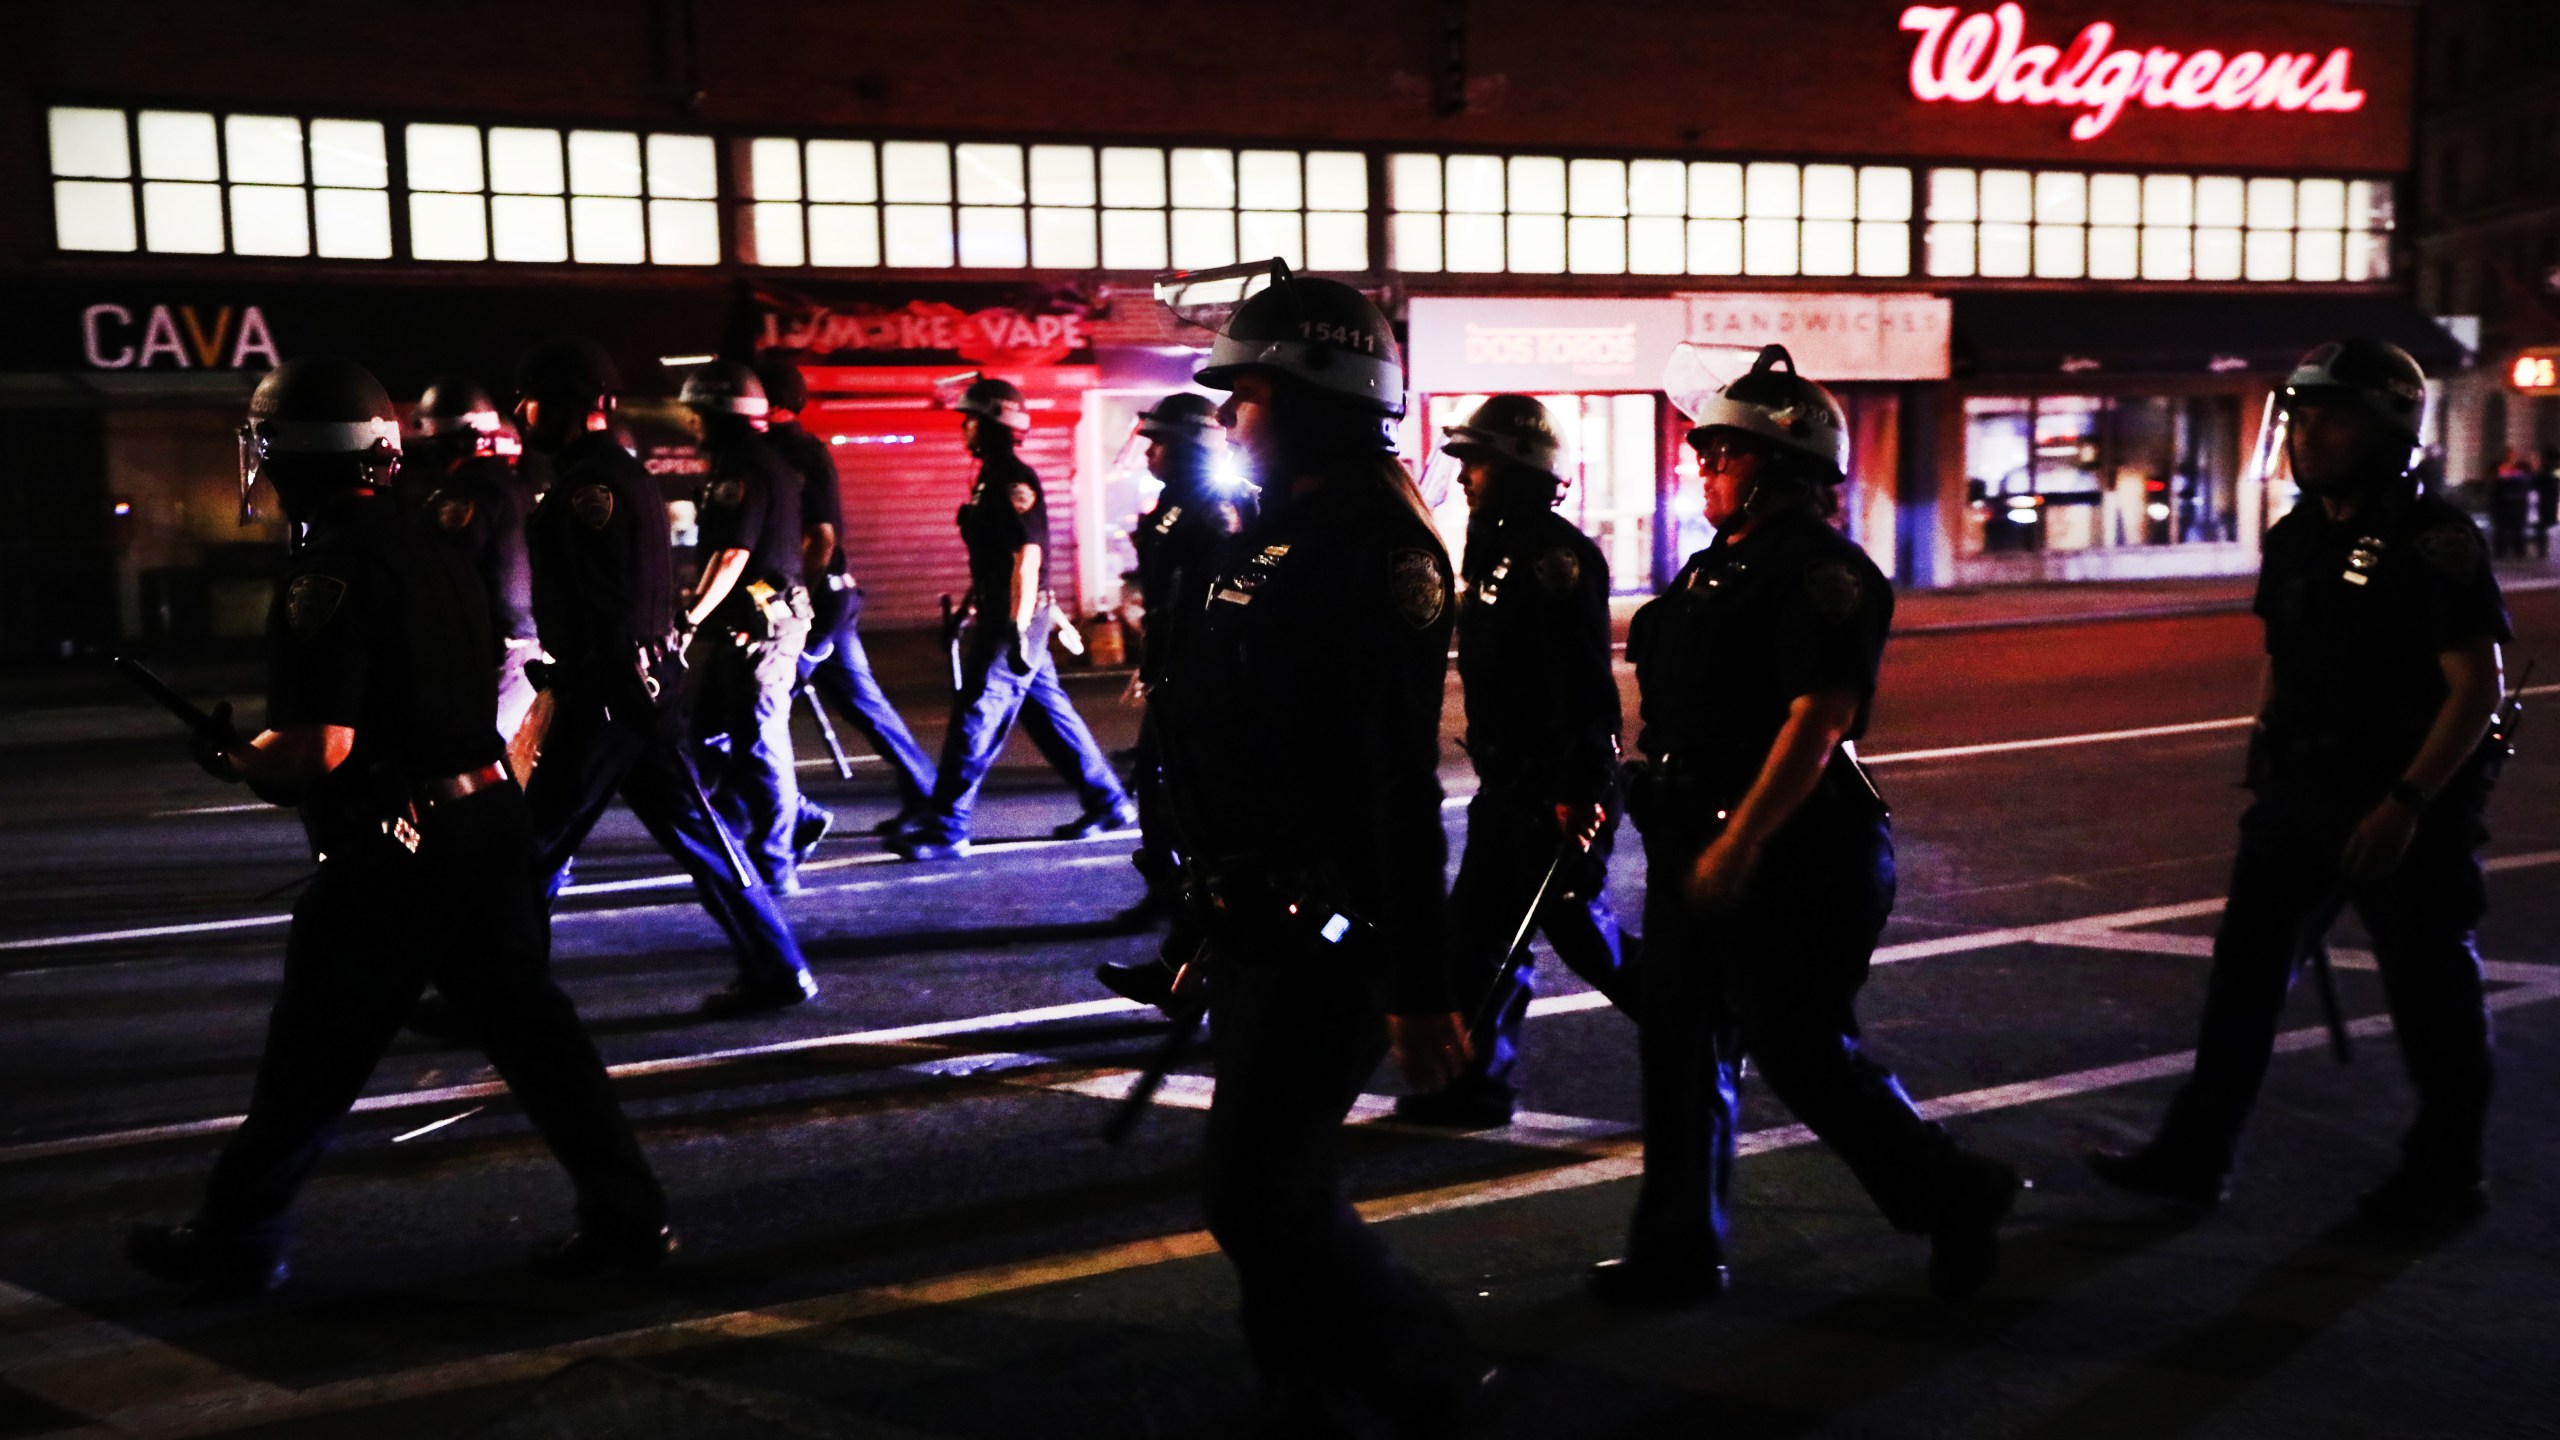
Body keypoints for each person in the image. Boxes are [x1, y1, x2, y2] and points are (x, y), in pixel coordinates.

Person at [128, 357, 668, 1299]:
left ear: (289, 455)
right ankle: (628, 1216)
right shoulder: (431, 543)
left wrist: (238, 758)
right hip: (488, 823)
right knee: (542, 1045)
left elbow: (318, 747)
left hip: (401, 849)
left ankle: (238, 1238)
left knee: (311, 1055)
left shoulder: (328, 568)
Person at [1598, 344, 2019, 1311]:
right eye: (1701, 450)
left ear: (1783, 469)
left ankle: (1955, 1192)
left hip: (1793, 851)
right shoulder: (1714, 568)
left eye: (1723, 453)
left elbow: (1816, 722)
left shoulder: (1824, 573)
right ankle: (1676, 1252)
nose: (1700, 464)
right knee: (1680, 1048)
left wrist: (1736, 847)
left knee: (1797, 1048)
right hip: (1693, 839)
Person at [1152, 261, 1487, 1435]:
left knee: (1255, 1191)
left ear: (1306, 391)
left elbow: (1389, 779)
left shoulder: (1372, 541)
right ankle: (1307, 1398)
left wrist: (1417, 983)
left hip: (1329, 928)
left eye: (1242, 393)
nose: (1229, 417)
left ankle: (1424, 1368)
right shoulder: (1285, 526)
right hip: (1257, 914)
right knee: (1262, 1192)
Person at [2091, 339, 2510, 1234]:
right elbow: (2284, 654)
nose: (2305, 434)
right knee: (2242, 983)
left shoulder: (2432, 541)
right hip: (2301, 795)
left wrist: (2407, 805)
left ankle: (2448, 1176)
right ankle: (2195, 1158)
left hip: (2403, 803)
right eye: (2302, 415)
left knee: (2432, 996)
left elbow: (2478, 689)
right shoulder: (2295, 534)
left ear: (2388, 430)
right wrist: (2264, 741)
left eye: (2331, 417)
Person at [511, 338, 817, 1016]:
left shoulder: (588, 485)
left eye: (529, 399)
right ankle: (778, 965)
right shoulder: (616, 473)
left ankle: (498, 992)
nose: (519, 412)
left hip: (608, 695)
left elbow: (609, 602)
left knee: (530, 846)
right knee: (700, 836)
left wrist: (591, 692)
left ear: (563, 404)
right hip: (642, 691)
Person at [1394, 394, 1637, 1130]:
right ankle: (1699, 1020)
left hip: (1546, 785)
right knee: (1554, 930)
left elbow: (1581, 684)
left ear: (1521, 468)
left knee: (1491, 936)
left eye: (1480, 462)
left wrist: (1577, 788)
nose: (1466, 475)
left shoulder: (1550, 556)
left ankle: (1478, 1086)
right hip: (1513, 781)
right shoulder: (1496, 548)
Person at [890, 375, 1132, 861]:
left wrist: (1019, 627)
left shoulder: (1013, 480)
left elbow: (1027, 556)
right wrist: (970, 605)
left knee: (976, 714)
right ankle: (1108, 803)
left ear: (993, 426)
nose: (964, 429)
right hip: (1007, 611)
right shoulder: (987, 480)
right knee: (1048, 716)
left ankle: (946, 828)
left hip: (1014, 620)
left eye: (971, 420)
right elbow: (995, 557)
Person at [753, 354, 935, 855]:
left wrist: (798, 607)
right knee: (865, 704)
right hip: (827, 603)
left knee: (753, 711)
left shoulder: (798, 453)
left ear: (770, 402)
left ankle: (778, 820)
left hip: (815, 606)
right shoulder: (771, 450)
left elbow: (822, 536)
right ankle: (928, 795)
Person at [1094, 391, 1249, 977]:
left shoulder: (1215, 509)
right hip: (1169, 667)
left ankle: (1196, 948)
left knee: (1192, 806)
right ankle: (1171, 902)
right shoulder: (1172, 503)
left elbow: (1213, 605)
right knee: (1157, 794)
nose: (1150, 451)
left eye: (1161, 441)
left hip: (1199, 677)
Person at [676, 360, 814, 893]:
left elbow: (733, 554)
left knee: (758, 738)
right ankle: (758, 829)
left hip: (764, 627)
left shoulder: (742, 471)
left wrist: (690, 618)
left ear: (720, 415)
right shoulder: (753, 462)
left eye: (697, 414)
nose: (691, 425)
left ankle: (777, 858)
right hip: (748, 624)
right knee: (704, 732)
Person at [402, 374, 540, 742]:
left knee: (471, 756)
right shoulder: (518, 489)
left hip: (494, 650)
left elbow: (444, 578)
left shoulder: (463, 496)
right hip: (529, 645)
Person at [2487, 447, 2532, 559]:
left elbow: (2528, 481)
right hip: (2501, 504)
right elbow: (2490, 480)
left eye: (2512, 454)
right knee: (2500, 529)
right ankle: (2500, 552)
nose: (2510, 457)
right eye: (2507, 455)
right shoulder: (2496, 467)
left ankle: (2519, 552)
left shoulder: (2522, 467)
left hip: (2518, 504)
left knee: (2518, 529)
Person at [2533, 444, 2558, 560]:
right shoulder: (2550, 471)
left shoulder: (2546, 471)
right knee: (2545, 527)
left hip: (2546, 502)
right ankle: (2544, 550)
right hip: (2548, 502)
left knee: (2543, 527)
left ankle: (2544, 550)